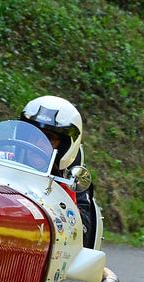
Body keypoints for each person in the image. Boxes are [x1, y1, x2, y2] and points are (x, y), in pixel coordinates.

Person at [20, 95, 95, 248]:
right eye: (34, 135)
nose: (38, 143)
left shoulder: (73, 180)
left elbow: (82, 232)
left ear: (64, 147)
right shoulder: (5, 160)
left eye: (49, 138)